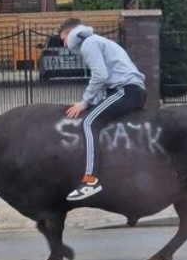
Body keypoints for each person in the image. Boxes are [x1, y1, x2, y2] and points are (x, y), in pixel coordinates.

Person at [58, 18, 147, 201]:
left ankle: (90, 180)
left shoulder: (89, 43)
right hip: (130, 91)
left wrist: (85, 102)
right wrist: (93, 101)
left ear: (72, 34)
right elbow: (106, 81)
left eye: (63, 39)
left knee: (89, 122)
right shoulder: (98, 41)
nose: (64, 45)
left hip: (126, 91)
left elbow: (100, 75)